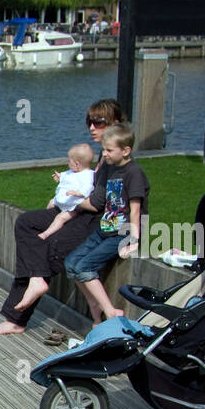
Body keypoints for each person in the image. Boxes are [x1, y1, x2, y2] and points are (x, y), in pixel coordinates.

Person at [0, 97, 124, 335]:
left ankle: (17, 317)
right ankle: (33, 287)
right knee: (26, 223)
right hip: (79, 213)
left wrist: (66, 201)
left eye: (99, 122)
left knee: (48, 245)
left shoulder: (115, 159)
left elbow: (100, 203)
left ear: (116, 123)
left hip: (95, 222)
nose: (92, 127)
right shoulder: (102, 156)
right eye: (90, 121)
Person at [61, 123, 149, 323]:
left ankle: (110, 311)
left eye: (109, 150)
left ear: (126, 150)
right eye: (104, 149)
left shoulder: (133, 173)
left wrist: (134, 241)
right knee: (70, 263)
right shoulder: (110, 168)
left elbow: (135, 210)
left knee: (84, 268)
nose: (105, 154)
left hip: (122, 233)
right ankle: (94, 302)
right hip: (105, 228)